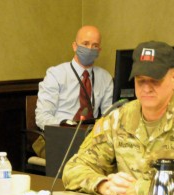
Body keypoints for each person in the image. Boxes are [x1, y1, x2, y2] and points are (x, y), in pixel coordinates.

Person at [63, 41, 174, 195]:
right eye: (140, 81)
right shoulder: (118, 119)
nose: (146, 88)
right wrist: (104, 185)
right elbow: (73, 169)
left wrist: (142, 190)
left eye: (155, 80)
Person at [33, 25, 114, 158]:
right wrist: (67, 128)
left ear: (99, 50)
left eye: (94, 46)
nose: (89, 49)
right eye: (85, 44)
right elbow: (42, 117)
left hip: (90, 139)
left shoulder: (105, 78)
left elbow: (108, 116)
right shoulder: (55, 74)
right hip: (60, 138)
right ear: (75, 46)